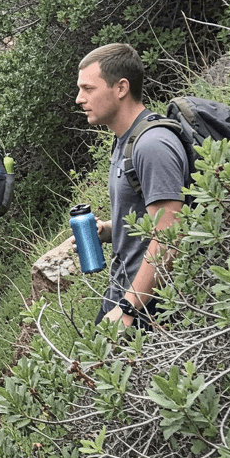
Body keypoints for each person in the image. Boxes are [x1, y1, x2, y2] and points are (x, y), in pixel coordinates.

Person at [75, 43, 186, 328]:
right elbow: (148, 222)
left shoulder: (152, 145)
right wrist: (109, 231)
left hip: (150, 306)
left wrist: (128, 307)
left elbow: (170, 236)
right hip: (124, 293)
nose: (79, 99)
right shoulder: (125, 140)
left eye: (88, 89)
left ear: (121, 88)